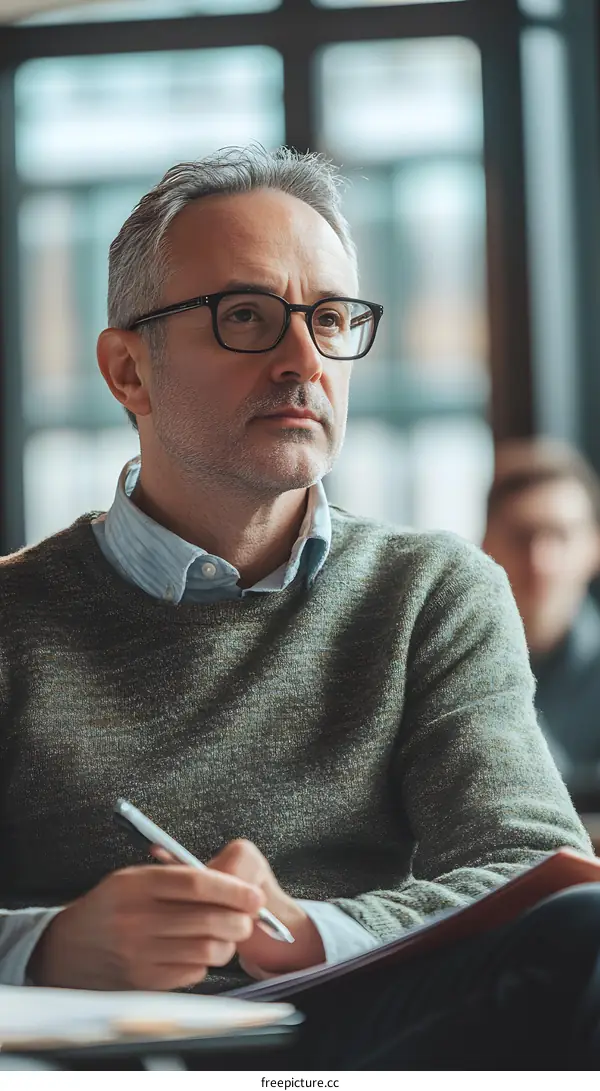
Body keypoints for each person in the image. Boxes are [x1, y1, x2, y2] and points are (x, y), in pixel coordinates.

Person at [1, 144, 600, 1069]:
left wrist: (306, 930)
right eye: (246, 316)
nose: (303, 359)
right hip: (79, 1060)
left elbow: (531, 870)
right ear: (128, 371)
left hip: (358, 1048)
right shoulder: (12, 617)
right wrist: (49, 946)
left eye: (330, 319)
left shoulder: (430, 592)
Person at [483, 438, 600, 795]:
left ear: (594, 547)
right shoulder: (453, 663)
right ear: (486, 544)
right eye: (522, 537)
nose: (541, 562)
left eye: (560, 536)